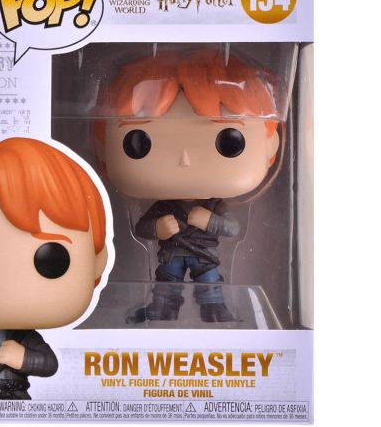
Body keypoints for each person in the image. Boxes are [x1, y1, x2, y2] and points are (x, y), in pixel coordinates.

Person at [96, 49, 280, 322]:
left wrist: (210, 221)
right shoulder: (164, 207)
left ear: (271, 145)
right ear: (102, 148)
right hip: (171, 256)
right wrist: (158, 228)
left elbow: (232, 228)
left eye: (230, 141)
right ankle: (163, 309)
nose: (185, 160)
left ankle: (214, 308)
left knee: (210, 284)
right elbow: (142, 228)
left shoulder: (213, 205)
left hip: (204, 257)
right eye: (139, 142)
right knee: (166, 284)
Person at [0, 138, 108, 399]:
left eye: (50, 259)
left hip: (15, 404)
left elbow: (49, 364)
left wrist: (24, 358)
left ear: (97, 263)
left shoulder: (24, 337)